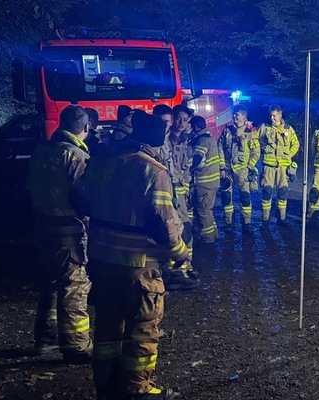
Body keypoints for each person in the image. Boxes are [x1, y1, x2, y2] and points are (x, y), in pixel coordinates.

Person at [74, 110, 187, 400]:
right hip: (139, 265)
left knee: (109, 325)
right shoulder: (153, 171)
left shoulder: (101, 164)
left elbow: (80, 200)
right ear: (155, 142)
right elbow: (164, 224)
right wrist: (180, 252)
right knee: (143, 327)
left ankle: (106, 385)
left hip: (101, 260)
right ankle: (138, 389)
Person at [26, 105, 93, 364]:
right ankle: (76, 346)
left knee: (50, 283)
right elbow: (83, 195)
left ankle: (45, 338)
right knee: (74, 285)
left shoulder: (41, 151)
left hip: (42, 225)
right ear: (85, 128)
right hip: (68, 230)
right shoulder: (75, 156)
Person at [157, 105, 198, 290]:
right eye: (178, 119)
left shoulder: (185, 139)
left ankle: (185, 266)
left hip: (180, 191)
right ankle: (176, 269)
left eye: (185, 120)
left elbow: (183, 169)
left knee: (186, 229)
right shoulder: (161, 141)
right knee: (176, 229)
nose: (181, 123)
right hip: (168, 192)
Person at [218, 104, 260, 232]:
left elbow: (256, 152)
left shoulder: (249, 133)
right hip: (228, 171)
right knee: (226, 197)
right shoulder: (227, 131)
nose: (234, 116)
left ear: (244, 116)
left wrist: (250, 166)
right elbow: (220, 148)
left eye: (237, 114)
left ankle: (246, 223)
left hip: (243, 171)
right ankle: (229, 223)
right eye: (234, 113)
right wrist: (222, 168)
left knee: (245, 197)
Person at [257, 105, 299, 225]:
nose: (272, 118)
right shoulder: (264, 127)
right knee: (267, 191)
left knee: (282, 191)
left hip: (283, 167)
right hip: (268, 166)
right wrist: (260, 149)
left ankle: (282, 218)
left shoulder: (288, 129)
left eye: (274, 115)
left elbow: (296, 144)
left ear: (280, 115)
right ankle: (265, 220)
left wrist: (288, 154)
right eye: (271, 115)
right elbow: (252, 139)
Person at [189, 115, 221, 243]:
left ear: (195, 127)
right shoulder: (208, 138)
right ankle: (214, 234)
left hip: (204, 182)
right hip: (210, 182)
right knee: (208, 210)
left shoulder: (202, 140)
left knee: (203, 211)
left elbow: (197, 159)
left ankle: (208, 239)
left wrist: (187, 168)